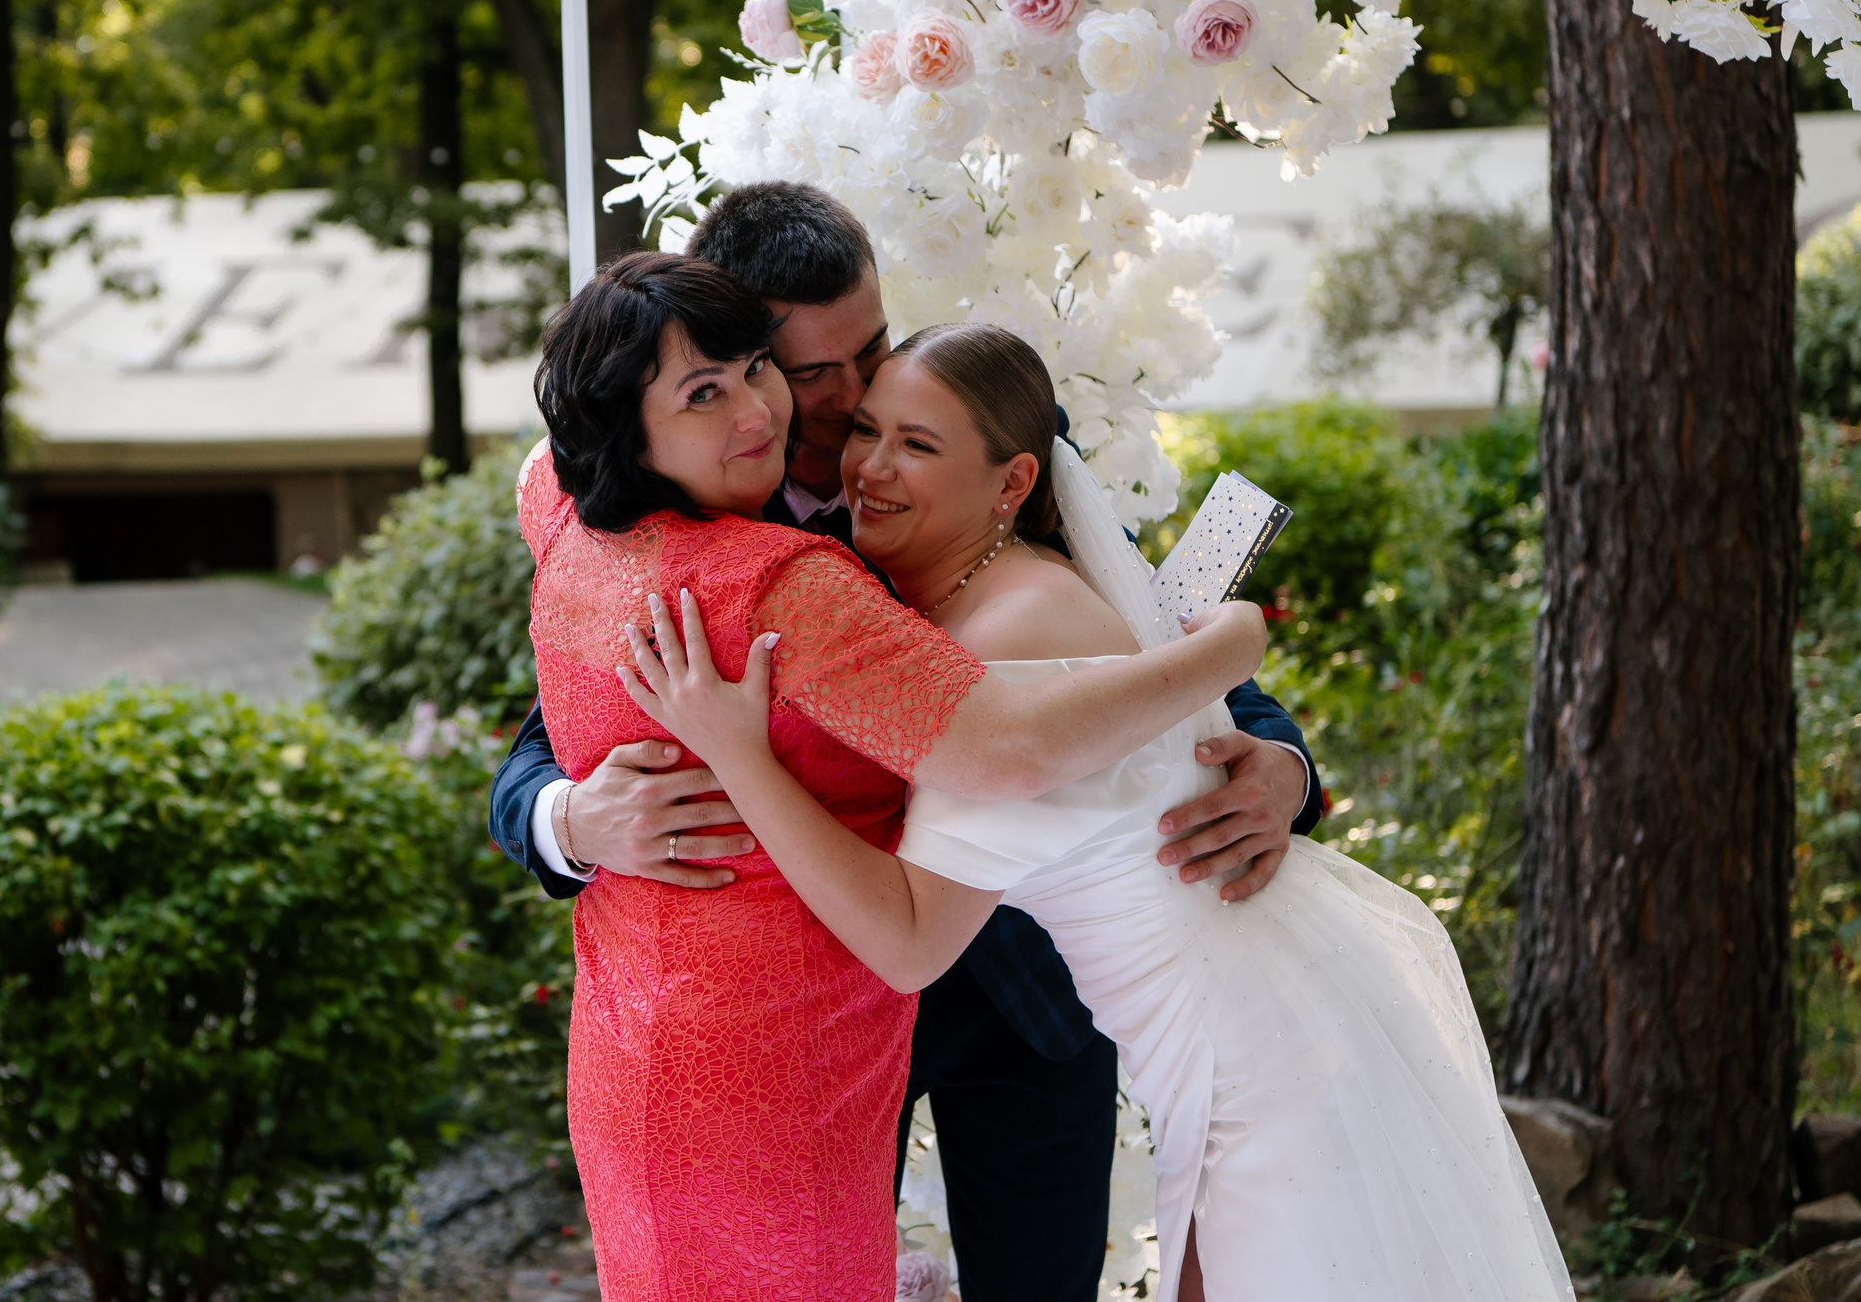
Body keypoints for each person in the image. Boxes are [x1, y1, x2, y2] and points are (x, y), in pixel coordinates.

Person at [619, 324, 1574, 1302]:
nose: (870, 466)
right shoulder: (972, 588)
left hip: (1259, 1063)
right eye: (867, 429)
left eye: (918, 444)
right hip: (1227, 1032)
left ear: (1012, 482)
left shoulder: (1015, 632)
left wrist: (737, 752)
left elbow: (909, 939)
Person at [489, 182, 1321, 1301]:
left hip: (1030, 983)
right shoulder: (671, 511)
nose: (844, 401)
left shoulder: (966, 423)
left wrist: (1280, 763)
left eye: (868, 350)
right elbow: (550, 732)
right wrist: (571, 816)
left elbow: (1128, 626)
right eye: (809, 368)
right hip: (820, 1008)